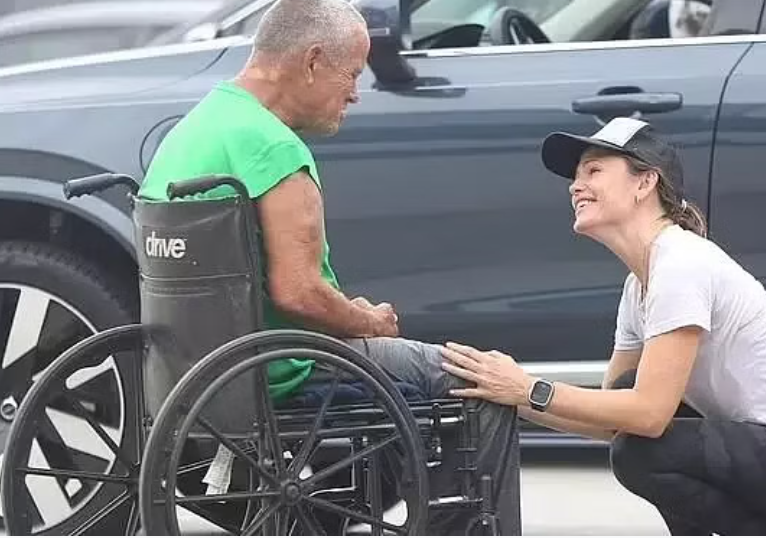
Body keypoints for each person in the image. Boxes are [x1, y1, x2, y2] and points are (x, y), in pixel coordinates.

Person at [137, 0, 521, 534]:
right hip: (281, 368)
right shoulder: (272, 147)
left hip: (200, 368)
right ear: (313, 61)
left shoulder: (197, 127)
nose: (356, 92)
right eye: (352, 73)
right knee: (485, 383)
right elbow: (297, 293)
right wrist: (367, 320)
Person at [439, 116, 766, 535]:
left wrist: (531, 387)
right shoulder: (641, 286)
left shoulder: (681, 263)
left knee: (645, 449)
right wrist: (502, 393)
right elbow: (611, 419)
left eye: (593, 171)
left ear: (645, 182)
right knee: (634, 418)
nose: (576, 186)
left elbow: (649, 416)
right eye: (576, 176)